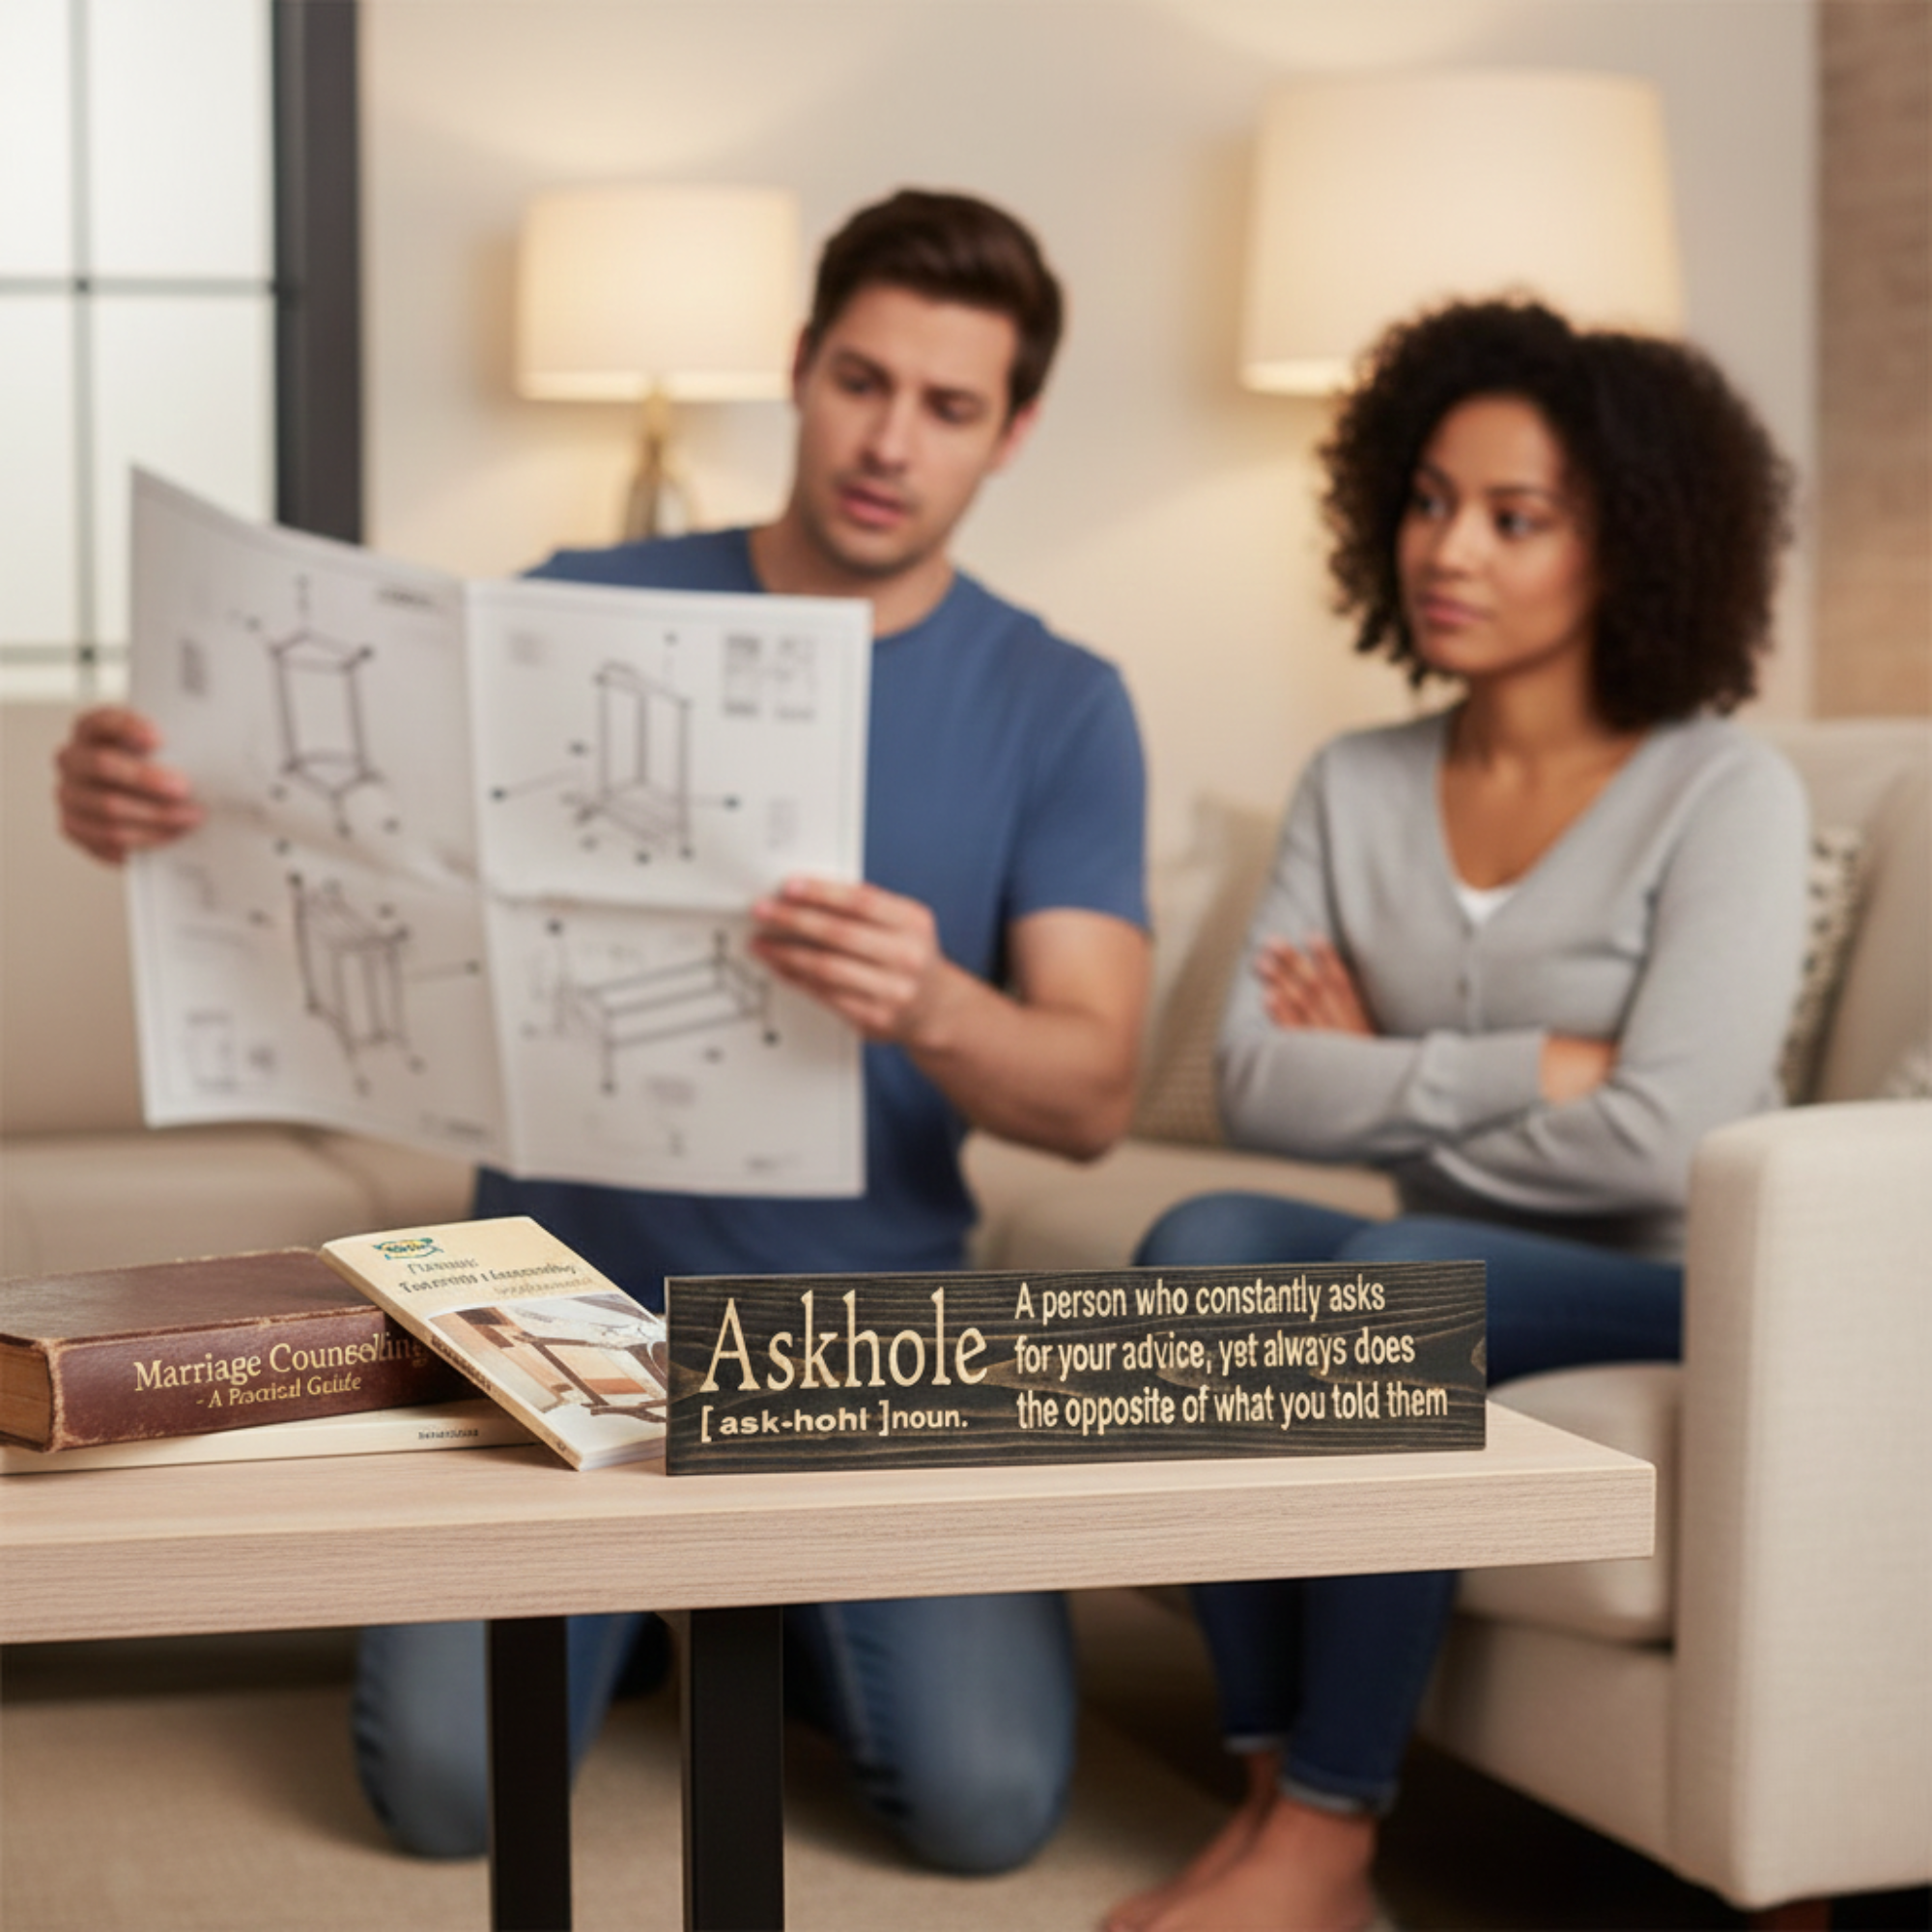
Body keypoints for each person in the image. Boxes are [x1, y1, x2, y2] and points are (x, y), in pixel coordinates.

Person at [55, 188, 1151, 1875]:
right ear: (796, 369)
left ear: (1013, 433)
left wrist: (928, 998)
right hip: (552, 1299)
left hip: (866, 1327)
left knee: (981, 1810)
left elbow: (1089, 1093)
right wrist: (156, 801)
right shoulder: (580, 599)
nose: (889, 441)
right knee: (442, 1798)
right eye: (861, 381)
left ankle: (736, 1601)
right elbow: (347, 839)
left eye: (948, 408)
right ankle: (665, 1602)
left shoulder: (1057, 699)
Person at [1105, 299, 1808, 1932]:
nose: (1452, 549)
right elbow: (1257, 1080)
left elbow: (1663, 1139)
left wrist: (1395, 1063)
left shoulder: (1726, 796)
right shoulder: (1356, 783)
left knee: (1389, 1272)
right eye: (1428, 499)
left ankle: (1336, 1838)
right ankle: (1275, 1794)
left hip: (1678, 1270)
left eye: (1516, 517)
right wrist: (1527, 1062)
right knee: (1198, 1241)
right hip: (1465, 1244)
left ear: (1629, 543)